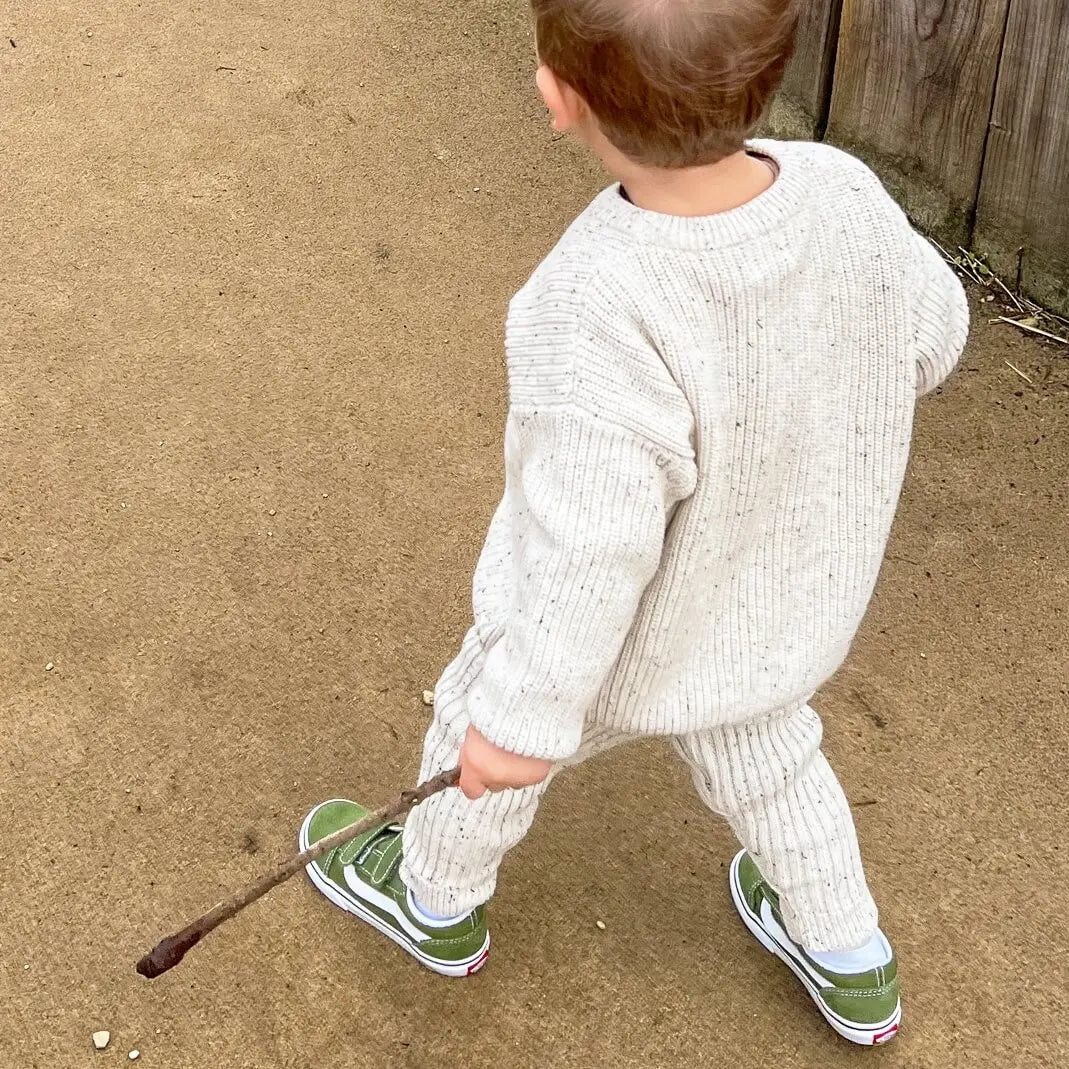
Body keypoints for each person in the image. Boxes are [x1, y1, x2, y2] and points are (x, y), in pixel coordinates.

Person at [299, 0, 968, 1046]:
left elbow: (588, 552)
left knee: (483, 732)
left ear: (559, 98)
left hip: (607, 653)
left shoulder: (594, 298)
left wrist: (516, 723)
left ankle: (430, 896)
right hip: (773, 616)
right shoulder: (845, 193)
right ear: (770, 67)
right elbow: (933, 337)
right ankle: (851, 957)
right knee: (774, 759)